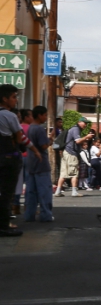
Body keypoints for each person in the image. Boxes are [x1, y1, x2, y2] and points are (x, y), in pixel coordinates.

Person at [0, 85, 25, 235]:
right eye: (14, 97)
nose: (16, 100)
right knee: (7, 193)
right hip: (8, 157)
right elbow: (19, 136)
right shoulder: (9, 116)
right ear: (5, 99)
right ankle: (4, 226)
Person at [23, 106, 53, 223]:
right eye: (45, 115)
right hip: (41, 163)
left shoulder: (30, 128)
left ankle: (29, 215)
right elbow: (44, 146)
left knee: (31, 192)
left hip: (31, 162)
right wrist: (50, 140)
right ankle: (46, 215)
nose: (45, 118)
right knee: (44, 191)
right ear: (40, 115)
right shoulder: (39, 129)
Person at [55, 119, 86, 197]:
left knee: (63, 173)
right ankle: (74, 191)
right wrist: (86, 137)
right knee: (74, 173)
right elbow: (78, 141)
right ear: (79, 122)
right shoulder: (76, 129)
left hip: (66, 152)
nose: (85, 124)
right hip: (71, 153)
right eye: (84, 123)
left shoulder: (72, 128)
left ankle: (58, 191)